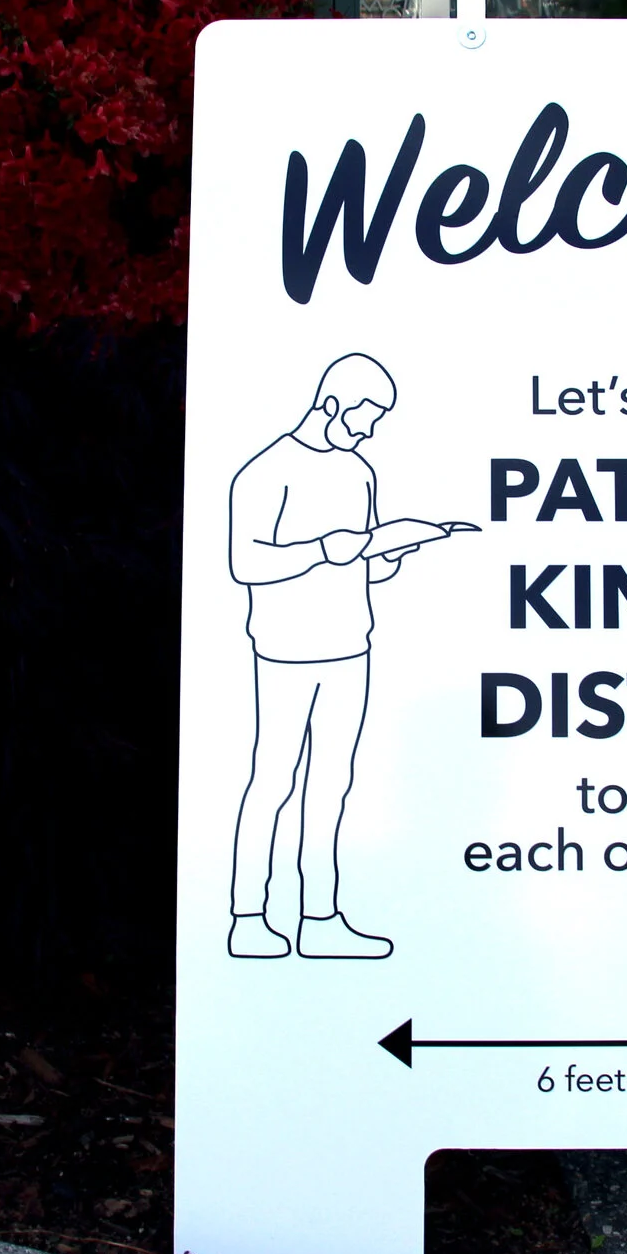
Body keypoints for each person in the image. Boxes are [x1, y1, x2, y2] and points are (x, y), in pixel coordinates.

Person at [223, 354, 418, 960]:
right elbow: (245, 562)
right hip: (284, 649)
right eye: (366, 415)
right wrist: (324, 549)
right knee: (272, 779)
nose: (369, 430)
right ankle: (248, 917)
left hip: (349, 642)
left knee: (333, 781)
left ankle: (321, 916)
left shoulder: (359, 472)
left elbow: (362, 557)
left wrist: (387, 553)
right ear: (331, 403)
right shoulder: (266, 472)